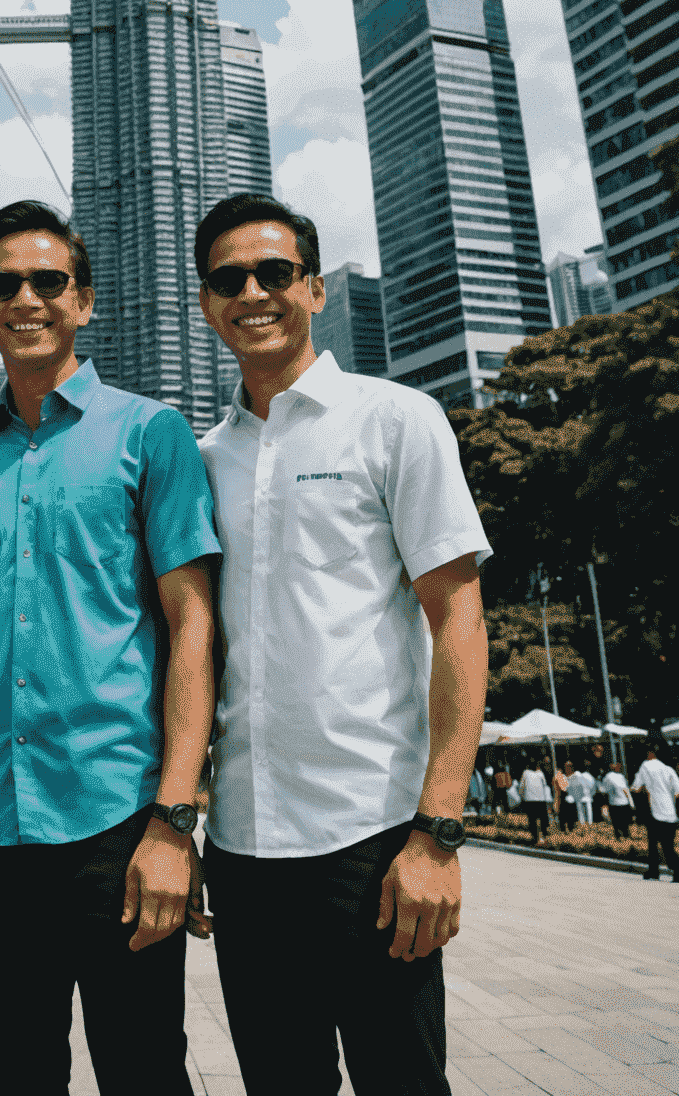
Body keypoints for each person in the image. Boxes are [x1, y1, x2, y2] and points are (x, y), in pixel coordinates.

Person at [0, 201, 219, 1096]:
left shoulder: (149, 434)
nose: (27, 299)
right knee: (17, 1073)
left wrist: (173, 821)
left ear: (84, 302)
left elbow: (193, 627)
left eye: (49, 282)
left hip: (117, 820)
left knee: (143, 1070)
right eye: (4, 284)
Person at [193, 194, 489, 1096]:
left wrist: (437, 833)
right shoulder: (203, 457)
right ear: (207, 304)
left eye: (274, 273)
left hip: (375, 837)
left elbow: (460, 621)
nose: (252, 292)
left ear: (314, 288)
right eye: (227, 279)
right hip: (244, 848)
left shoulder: (395, 420)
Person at [632, 746, 679, 881]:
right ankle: (676, 871)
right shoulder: (669, 769)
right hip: (670, 812)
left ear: (649, 754)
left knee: (653, 843)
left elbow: (636, 788)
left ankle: (654, 871)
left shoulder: (645, 765)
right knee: (668, 844)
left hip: (655, 810)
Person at [519, 761, 552, 843]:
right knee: (543, 819)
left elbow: (521, 786)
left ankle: (535, 838)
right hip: (541, 799)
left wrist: (521, 796)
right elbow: (545, 786)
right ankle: (544, 837)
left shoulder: (525, 773)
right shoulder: (541, 773)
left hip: (530, 800)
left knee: (532, 819)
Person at [601, 762, 633, 839]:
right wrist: (631, 802)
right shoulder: (618, 776)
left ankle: (620, 836)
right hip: (621, 802)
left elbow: (604, 790)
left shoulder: (609, 777)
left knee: (617, 822)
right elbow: (626, 790)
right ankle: (625, 836)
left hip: (615, 802)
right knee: (623, 822)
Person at [554, 760, 573, 829]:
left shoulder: (571, 775)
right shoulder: (560, 775)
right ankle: (563, 827)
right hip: (563, 795)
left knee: (569, 814)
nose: (569, 768)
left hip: (570, 795)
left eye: (570, 766)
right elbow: (562, 788)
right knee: (563, 813)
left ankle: (570, 827)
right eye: (567, 766)